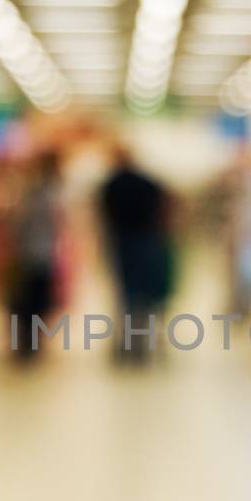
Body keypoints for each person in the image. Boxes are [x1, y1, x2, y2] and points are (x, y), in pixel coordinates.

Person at [97, 144, 173, 366]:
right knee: (145, 295)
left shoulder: (111, 185)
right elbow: (163, 211)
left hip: (122, 243)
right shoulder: (149, 183)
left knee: (125, 295)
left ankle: (127, 343)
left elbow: (104, 217)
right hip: (146, 242)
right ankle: (143, 343)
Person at [6, 151, 62, 363]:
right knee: (33, 302)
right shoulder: (47, 194)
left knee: (28, 302)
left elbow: (20, 224)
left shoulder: (36, 194)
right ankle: (30, 342)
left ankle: (27, 342)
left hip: (32, 253)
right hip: (39, 253)